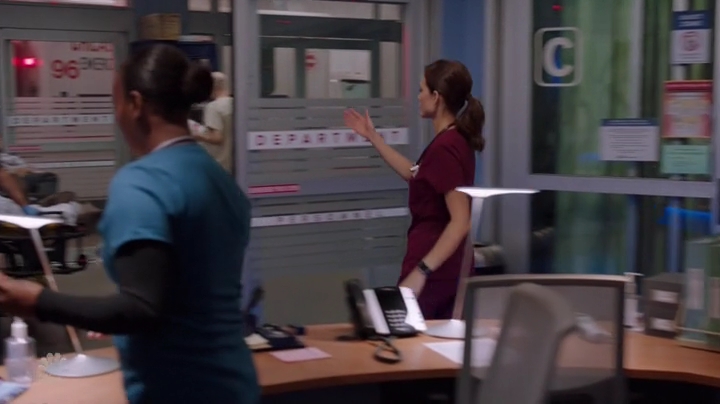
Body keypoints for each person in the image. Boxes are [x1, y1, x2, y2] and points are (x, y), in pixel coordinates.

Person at [0, 44, 259, 404]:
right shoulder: (222, 182)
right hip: (235, 382)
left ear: (135, 104)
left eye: (116, 103)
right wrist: (110, 318)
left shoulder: (142, 183)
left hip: (178, 390)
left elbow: (141, 309)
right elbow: (186, 295)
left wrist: (36, 300)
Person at [343, 60, 484, 320]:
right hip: (442, 270)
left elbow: (460, 220)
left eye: (422, 90)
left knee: (409, 337)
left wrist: (421, 272)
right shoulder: (451, 140)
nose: (418, 97)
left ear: (436, 97)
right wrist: (374, 138)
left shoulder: (446, 147)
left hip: (436, 275)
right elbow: (414, 174)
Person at [193, 71, 234, 172]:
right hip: (235, 164)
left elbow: (217, 137)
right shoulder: (235, 104)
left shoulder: (213, 107)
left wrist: (196, 136)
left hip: (220, 165)